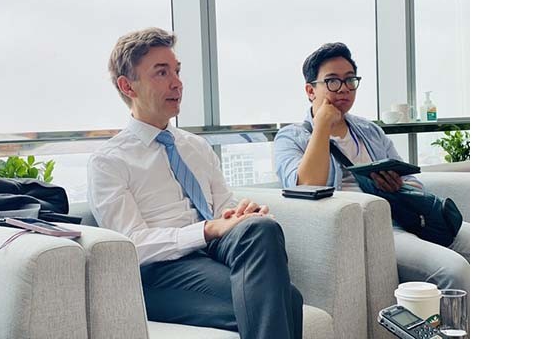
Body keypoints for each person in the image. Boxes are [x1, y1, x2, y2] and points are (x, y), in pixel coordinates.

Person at [87, 27, 302, 339]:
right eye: (161, 73)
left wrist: (239, 215)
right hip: (160, 272)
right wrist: (207, 230)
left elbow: (222, 207)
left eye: (176, 71)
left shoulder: (195, 146)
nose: (177, 82)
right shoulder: (109, 161)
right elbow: (131, 245)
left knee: (261, 228)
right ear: (127, 86)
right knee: (289, 301)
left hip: (214, 252)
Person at [274, 41, 470, 294]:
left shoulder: (369, 130)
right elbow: (305, 190)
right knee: (453, 270)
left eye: (350, 80)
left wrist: (396, 185)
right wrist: (321, 125)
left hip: (408, 216)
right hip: (371, 230)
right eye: (332, 81)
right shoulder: (290, 138)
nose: (343, 89)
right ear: (311, 90)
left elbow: (413, 182)